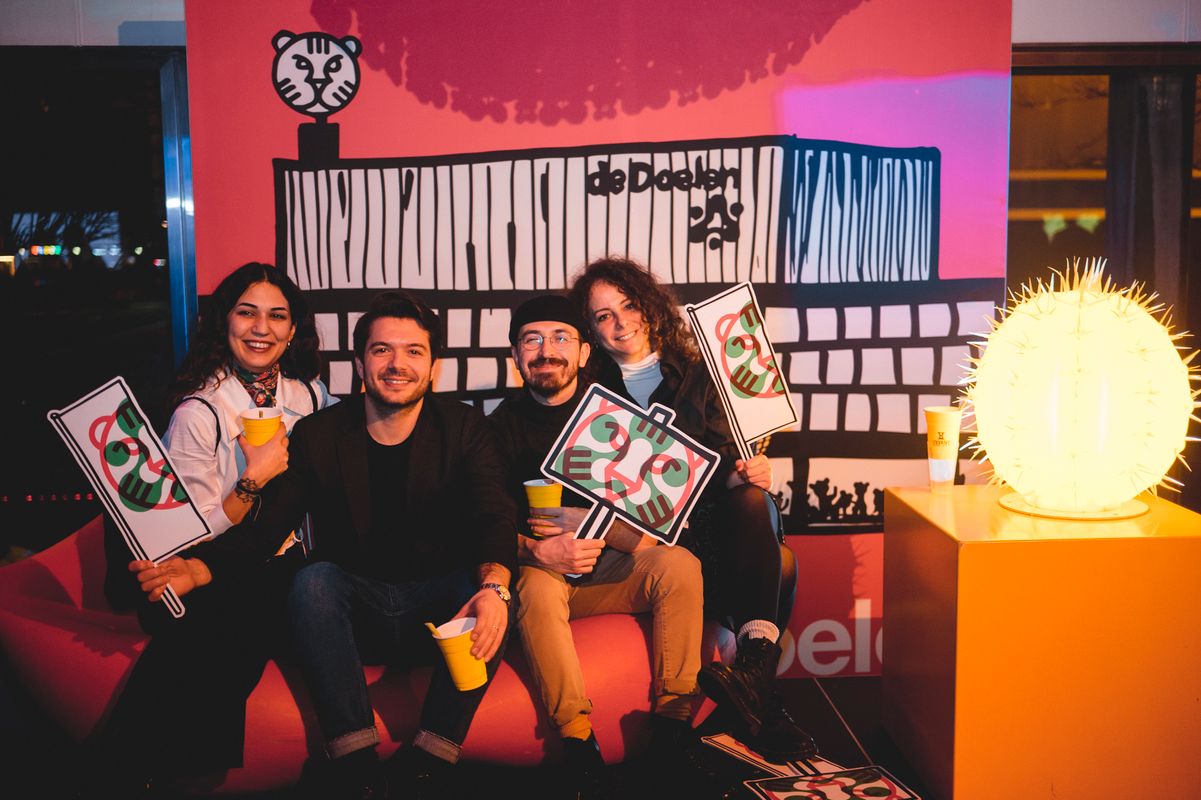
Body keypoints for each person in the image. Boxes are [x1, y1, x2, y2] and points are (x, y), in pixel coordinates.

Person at [138, 290, 519, 799]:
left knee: (494, 592)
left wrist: (495, 588)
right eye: (381, 350)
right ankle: (354, 759)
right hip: (352, 619)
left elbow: (495, 514)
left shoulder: (465, 428)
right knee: (313, 580)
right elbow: (267, 528)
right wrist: (197, 568)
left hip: (437, 613)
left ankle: (434, 756)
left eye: (413, 351)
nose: (397, 364)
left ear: (434, 368)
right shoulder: (319, 433)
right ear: (360, 364)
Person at [96, 262, 335, 788]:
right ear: (225, 321)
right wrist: (251, 479)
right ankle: (169, 774)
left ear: (293, 329)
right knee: (225, 621)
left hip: (291, 567)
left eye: (277, 316)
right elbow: (194, 534)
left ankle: (129, 772)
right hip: (218, 564)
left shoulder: (312, 397)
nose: (261, 328)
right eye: (247, 313)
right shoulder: (199, 410)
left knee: (241, 611)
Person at [566, 257, 813, 761]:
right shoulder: (587, 394)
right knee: (782, 565)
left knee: (752, 501)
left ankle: (754, 675)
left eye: (629, 306)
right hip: (645, 545)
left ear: (650, 307)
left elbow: (723, 467)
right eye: (603, 316)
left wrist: (746, 473)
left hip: (710, 530)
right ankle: (762, 700)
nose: (621, 323)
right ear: (589, 330)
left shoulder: (702, 374)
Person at [490, 295, 704, 797]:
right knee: (537, 588)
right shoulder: (496, 429)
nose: (547, 351)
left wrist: (595, 525)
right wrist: (535, 551)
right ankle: (578, 742)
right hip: (544, 575)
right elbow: (481, 526)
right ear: (516, 355)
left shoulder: (614, 414)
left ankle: (673, 727)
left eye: (561, 338)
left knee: (678, 564)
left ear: (584, 352)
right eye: (532, 340)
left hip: (611, 570)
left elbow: (647, 533)